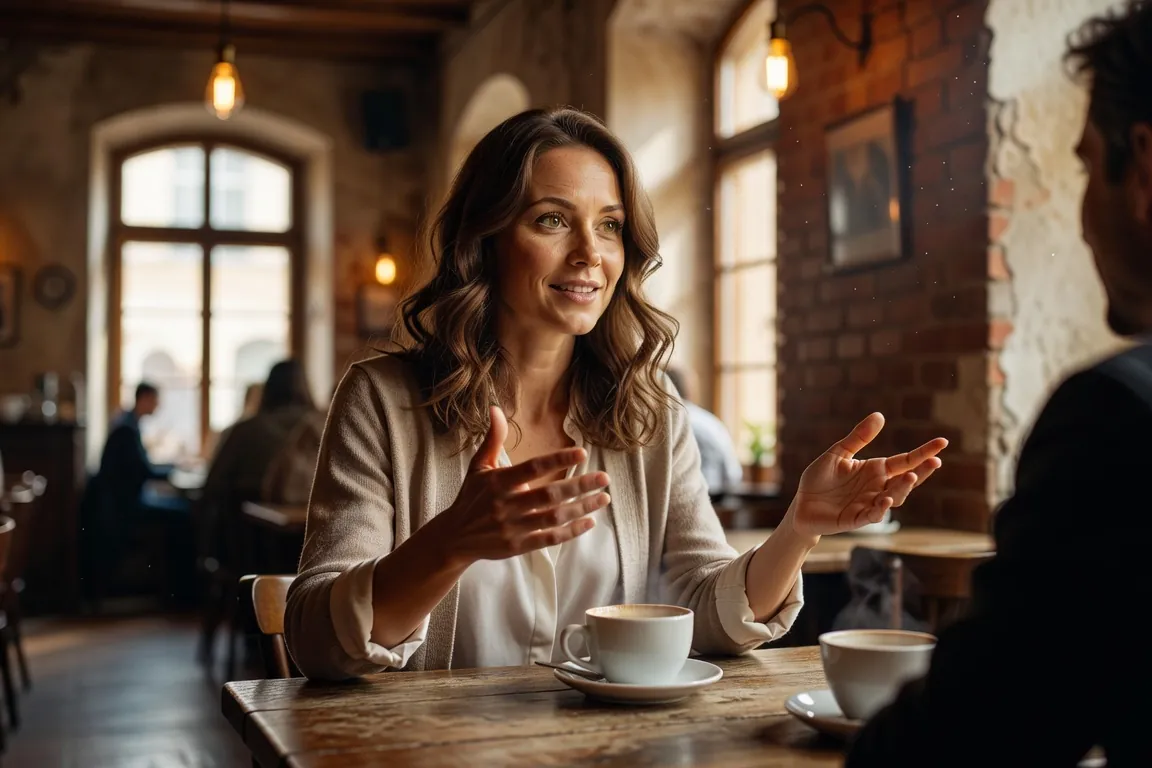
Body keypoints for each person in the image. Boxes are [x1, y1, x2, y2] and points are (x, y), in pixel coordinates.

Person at [284, 107, 947, 681]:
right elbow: (315, 640)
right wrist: (450, 544)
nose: (589, 254)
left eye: (609, 225)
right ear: (484, 240)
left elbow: (702, 610)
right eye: (551, 220)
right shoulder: (381, 400)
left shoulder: (651, 413)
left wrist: (799, 529)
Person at [846, 4, 1152, 766]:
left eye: (1087, 167)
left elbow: (966, 739)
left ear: (1144, 168)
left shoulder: (1117, 418)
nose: (1081, 221)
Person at [663, 364, 742, 495]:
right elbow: (733, 474)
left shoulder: (670, 423)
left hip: (692, 496)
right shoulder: (709, 420)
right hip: (718, 495)